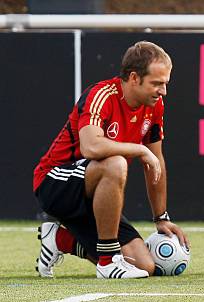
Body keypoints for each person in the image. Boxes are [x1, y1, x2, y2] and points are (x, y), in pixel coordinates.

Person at [33, 41, 189, 279]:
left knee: (144, 266)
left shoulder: (154, 106)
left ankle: (59, 239)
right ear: (134, 78)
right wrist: (139, 150)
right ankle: (107, 262)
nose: (163, 91)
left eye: (165, 84)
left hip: (94, 195)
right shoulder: (101, 95)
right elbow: (91, 146)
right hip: (55, 184)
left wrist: (161, 217)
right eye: (157, 84)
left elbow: (155, 162)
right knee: (115, 163)